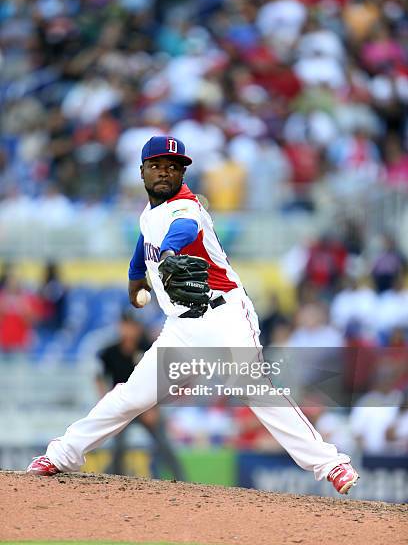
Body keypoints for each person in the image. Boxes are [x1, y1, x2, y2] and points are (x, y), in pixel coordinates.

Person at [27, 135, 359, 495]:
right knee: (129, 396)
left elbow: (180, 230)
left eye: (174, 166)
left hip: (224, 315)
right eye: (157, 165)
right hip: (181, 329)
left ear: (182, 173)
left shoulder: (187, 208)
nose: (165, 172)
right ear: (141, 171)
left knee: (251, 388)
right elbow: (145, 240)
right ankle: (60, 456)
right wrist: (135, 277)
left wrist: (169, 252)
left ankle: (332, 464)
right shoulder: (149, 214)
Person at [96, 309, 184, 479]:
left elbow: (160, 378)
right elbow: (98, 378)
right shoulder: (110, 352)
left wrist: (154, 407)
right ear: (120, 327)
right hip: (123, 406)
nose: (129, 330)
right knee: (118, 445)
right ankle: (115, 480)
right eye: (126, 325)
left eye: (133, 326)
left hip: (147, 405)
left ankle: (182, 481)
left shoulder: (148, 348)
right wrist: (106, 401)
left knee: (163, 444)